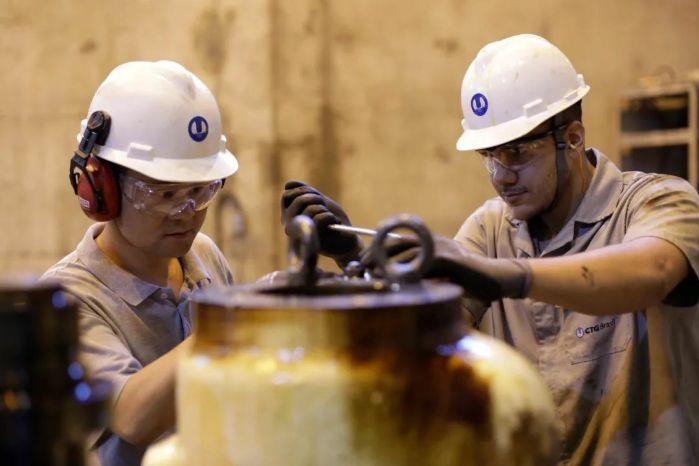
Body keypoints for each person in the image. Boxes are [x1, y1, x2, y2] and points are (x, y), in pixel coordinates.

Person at [280, 34, 699, 465]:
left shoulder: (656, 201)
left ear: (572, 138)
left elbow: (651, 272)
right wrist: (352, 257)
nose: (501, 176)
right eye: (489, 155)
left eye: (517, 153)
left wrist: (505, 276)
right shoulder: (490, 228)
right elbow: (425, 336)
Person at [41, 60, 239, 466]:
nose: (187, 213)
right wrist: (245, 320)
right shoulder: (68, 297)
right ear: (100, 187)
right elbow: (132, 416)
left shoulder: (204, 256)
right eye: (163, 195)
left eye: (200, 192)